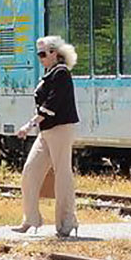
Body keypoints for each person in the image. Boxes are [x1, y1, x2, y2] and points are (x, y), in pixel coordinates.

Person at [13, 35, 79, 237]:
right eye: (38, 54)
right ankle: (31, 219)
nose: (40, 58)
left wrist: (29, 124)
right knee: (30, 172)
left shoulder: (61, 73)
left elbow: (51, 104)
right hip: (47, 131)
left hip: (60, 128)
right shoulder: (50, 72)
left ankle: (67, 222)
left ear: (54, 53)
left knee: (62, 175)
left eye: (42, 54)